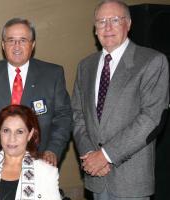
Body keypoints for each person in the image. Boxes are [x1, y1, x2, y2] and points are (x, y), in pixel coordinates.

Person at [72, 0, 169, 199]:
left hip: (130, 180)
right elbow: (77, 114)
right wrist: (90, 154)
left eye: (115, 20)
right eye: (101, 21)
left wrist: (105, 156)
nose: (107, 27)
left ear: (129, 24)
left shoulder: (152, 61)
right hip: (96, 177)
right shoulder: (85, 66)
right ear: (95, 28)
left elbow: (151, 118)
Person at [0, 17, 72, 166]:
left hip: (40, 161)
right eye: (10, 40)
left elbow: (63, 116)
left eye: (23, 40)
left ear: (33, 44)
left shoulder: (52, 74)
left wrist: (53, 149)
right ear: (3, 45)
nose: (16, 46)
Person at [0, 105, 60, 199]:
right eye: (6, 130)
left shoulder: (47, 172)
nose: (12, 138)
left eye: (19, 132)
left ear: (30, 134)